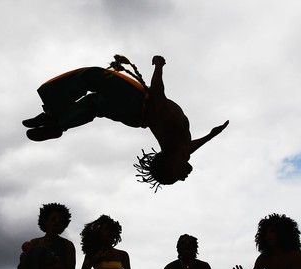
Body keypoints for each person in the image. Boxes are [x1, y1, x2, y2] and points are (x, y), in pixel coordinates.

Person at [22, 54, 229, 190]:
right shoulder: (182, 151)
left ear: (168, 161)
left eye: (175, 177)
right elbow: (193, 146)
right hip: (134, 115)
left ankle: (51, 114)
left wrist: (159, 65)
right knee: (94, 105)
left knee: (93, 77)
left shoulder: (171, 135)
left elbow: (157, 94)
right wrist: (213, 134)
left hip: (136, 102)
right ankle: (57, 124)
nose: (182, 178)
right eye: (177, 178)